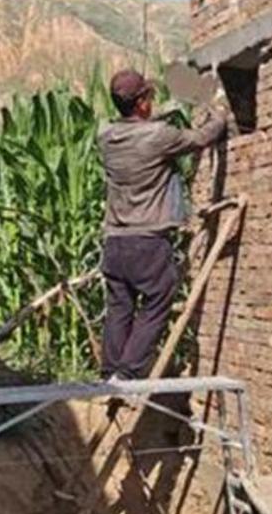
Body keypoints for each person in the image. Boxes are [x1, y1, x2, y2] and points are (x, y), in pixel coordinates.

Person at [97, 69, 228, 380]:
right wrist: (220, 114)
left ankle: (110, 371)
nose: (153, 102)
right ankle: (128, 372)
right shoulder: (159, 137)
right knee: (160, 296)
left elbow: (139, 129)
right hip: (147, 242)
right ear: (142, 102)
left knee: (119, 308)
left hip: (115, 242)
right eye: (149, 97)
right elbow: (201, 138)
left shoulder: (106, 137)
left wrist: (163, 112)